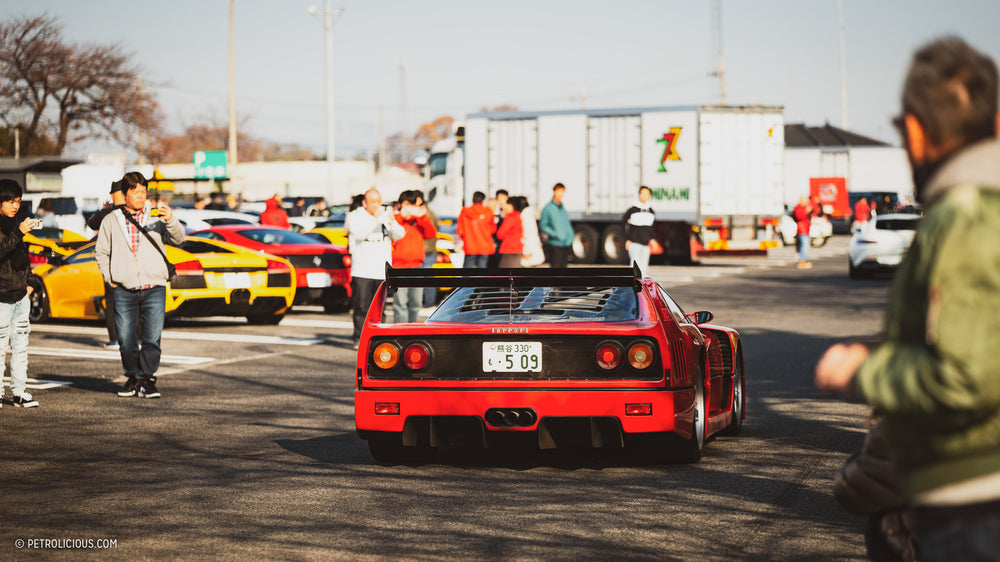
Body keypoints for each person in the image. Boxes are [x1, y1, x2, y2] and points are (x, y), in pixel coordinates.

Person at [815, 37, 1000, 560]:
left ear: (915, 132)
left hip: (968, 504)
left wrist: (861, 370)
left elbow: (965, 376)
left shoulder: (962, 217)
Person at [95, 172, 184, 399]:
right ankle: (133, 377)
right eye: (135, 192)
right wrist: (109, 277)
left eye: (143, 192)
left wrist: (171, 220)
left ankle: (147, 379)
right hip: (124, 288)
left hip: (154, 285)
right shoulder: (111, 220)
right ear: (125, 195)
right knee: (125, 339)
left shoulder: (156, 218)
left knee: (152, 338)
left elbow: (178, 239)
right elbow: (101, 252)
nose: (140, 196)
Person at [347, 188, 404, 348]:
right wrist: (376, 219)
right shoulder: (355, 216)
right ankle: (359, 338)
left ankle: (378, 338)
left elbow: (400, 235)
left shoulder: (385, 216)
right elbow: (359, 234)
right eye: (373, 202)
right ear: (365, 203)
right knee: (361, 307)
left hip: (381, 270)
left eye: (379, 201)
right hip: (362, 269)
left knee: (380, 308)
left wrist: (392, 222)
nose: (377, 205)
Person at [0, 179, 39, 408]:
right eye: (10, 201)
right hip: (2, 296)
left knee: (21, 345)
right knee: (0, 346)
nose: (15, 206)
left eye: (18, 201)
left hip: (20, 295)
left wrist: (30, 281)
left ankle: (19, 391)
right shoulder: (13, 228)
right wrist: (19, 233)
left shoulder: (16, 224)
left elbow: (24, 260)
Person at [87, 181, 128, 349]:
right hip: (131, 264)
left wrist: (104, 209)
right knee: (133, 303)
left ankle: (115, 339)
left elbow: (91, 223)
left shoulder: (107, 213)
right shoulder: (132, 211)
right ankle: (136, 338)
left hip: (111, 264)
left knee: (112, 303)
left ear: (112, 195)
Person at [391, 190, 436, 323]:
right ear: (401, 204)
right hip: (399, 266)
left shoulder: (419, 219)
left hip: (417, 265)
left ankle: (412, 330)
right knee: (400, 303)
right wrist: (403, 215)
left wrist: (421, 217)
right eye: (408, 204)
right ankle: (400, 332)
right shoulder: (395, 218)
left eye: (413, 205)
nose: (411, 208)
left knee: (416, 303)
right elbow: (392, 227)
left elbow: (431, 234)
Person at [456, 191, 496, 268]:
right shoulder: (488, 212)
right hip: (485, 246)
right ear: (483, 200)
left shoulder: (465, 212)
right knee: (482, 269)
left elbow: (460, 231)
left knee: (467, 269)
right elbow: (493, 229)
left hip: (470, 246)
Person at [623, 185, 656, 277]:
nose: (645, 196)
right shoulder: (633, 209)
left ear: (649, 196)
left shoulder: (651, 211)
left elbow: (650, 227)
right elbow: (624, 224)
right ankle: (632, 289)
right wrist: (627, 239)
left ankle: (641, 290)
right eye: (643, 193)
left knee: (643, 269)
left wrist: (652, 239)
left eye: (647, 194)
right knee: (634, 268)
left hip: (645, 244)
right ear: (639, 195)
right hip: (634, 243)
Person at [539, 182, 574, 268]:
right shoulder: (548, 208)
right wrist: (555, 235)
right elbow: (543, 225)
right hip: (555, 244)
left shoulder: (562, 208)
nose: (561, 194)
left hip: (565, 244)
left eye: (562, 191)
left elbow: (566, 224)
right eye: (559, 191)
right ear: (554, 192)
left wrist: (570, 236)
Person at [415, 191, 439, 308]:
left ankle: (421, 303)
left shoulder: (420, 214)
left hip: (421, 250)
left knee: (419, 279)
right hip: (431, 249)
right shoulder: (432, 213)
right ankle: (430, 303)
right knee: (429, 279)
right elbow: (437, 228)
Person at [496, 196, 523, 268]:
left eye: (508, 205)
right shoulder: (519, 216)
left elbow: (500, 234)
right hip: (518, 249)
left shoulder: (510, 217)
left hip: (508, 249)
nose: (506, 207)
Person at [518, 197, 545, 267]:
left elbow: (528, 234)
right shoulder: (529, 213)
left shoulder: (525, 216)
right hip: (533, 248)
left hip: (530, 251)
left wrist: (527, 252)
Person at [792, 196, 813, 269]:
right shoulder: (799, 208)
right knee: (804, 246)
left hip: (805, 229)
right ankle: (802, 261)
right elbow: (799, 217)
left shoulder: (802, 207)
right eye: (804, 200)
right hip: (802, 230)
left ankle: (803, 261)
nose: (806, 202)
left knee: (804, 246)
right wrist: (806, 211)